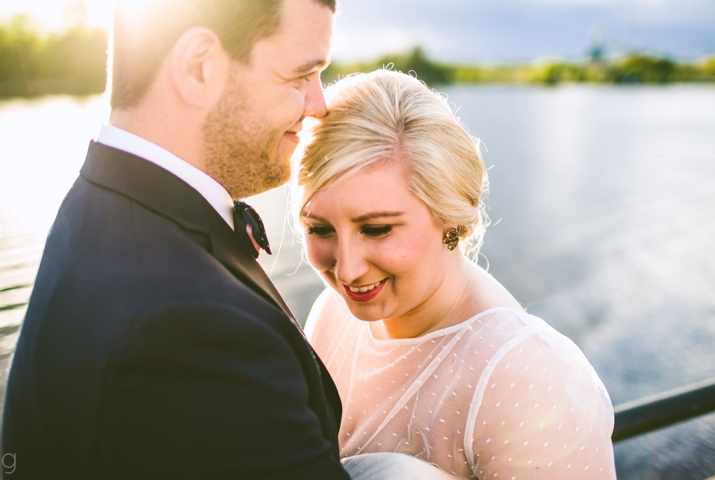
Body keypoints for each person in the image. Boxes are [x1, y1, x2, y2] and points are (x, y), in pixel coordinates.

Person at [1, 1, 354, 478]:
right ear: (198, 67)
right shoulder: (192, 328)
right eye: (300, 76)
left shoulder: (104, 200)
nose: (319, 105)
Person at [295, 70, 617, 479]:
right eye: (319, 229)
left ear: (450, 219)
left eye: (377, 229)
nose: (346, 269)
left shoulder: (525, 376)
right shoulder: (332, 314)